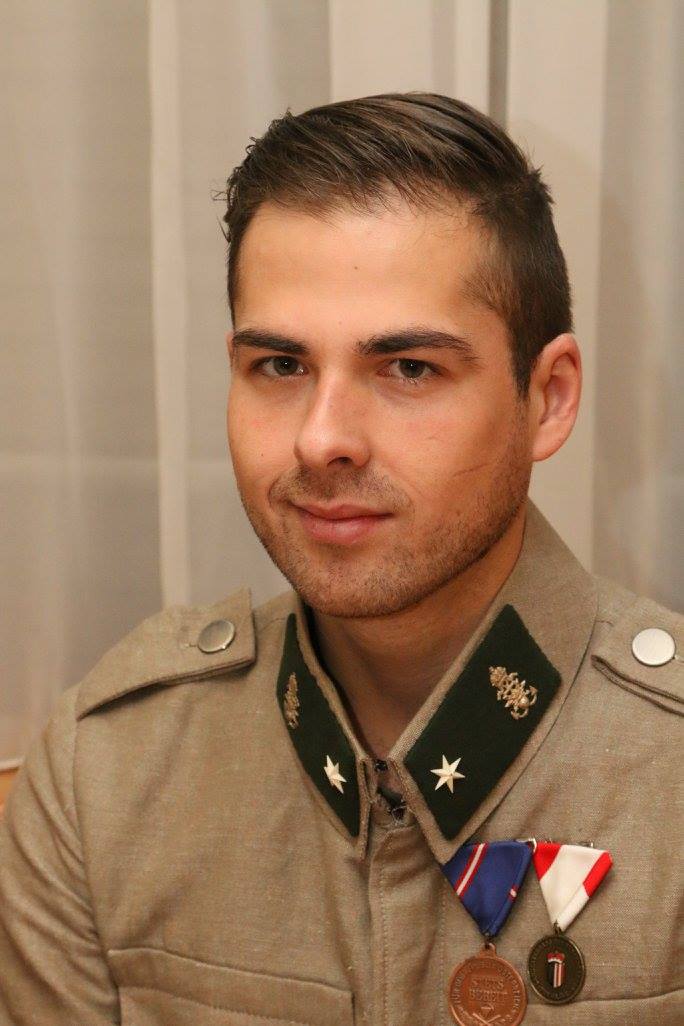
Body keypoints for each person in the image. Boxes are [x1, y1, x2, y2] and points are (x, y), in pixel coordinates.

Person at [0, 92, 681, 1026]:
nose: (322, 440)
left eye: (410, 369)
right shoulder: (110, 776)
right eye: (280, 367)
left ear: (548, 398)